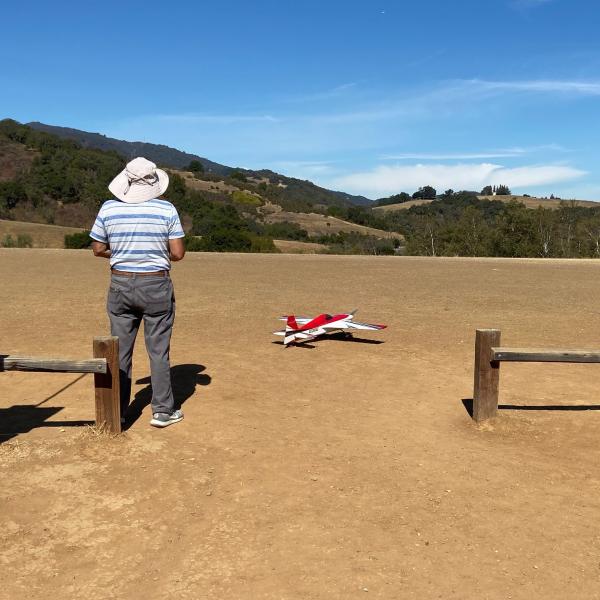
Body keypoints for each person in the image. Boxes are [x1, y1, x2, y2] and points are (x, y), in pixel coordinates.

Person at [90, 157, 186, 428]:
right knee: (158, 351)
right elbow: (177, 254)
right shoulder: (167, 210)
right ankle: (163, 411)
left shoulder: (108, 209)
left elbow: (98, 249)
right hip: (156, 284)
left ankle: (117, 412)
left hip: (120, 284)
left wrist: (119, 252)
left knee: (119, 351)